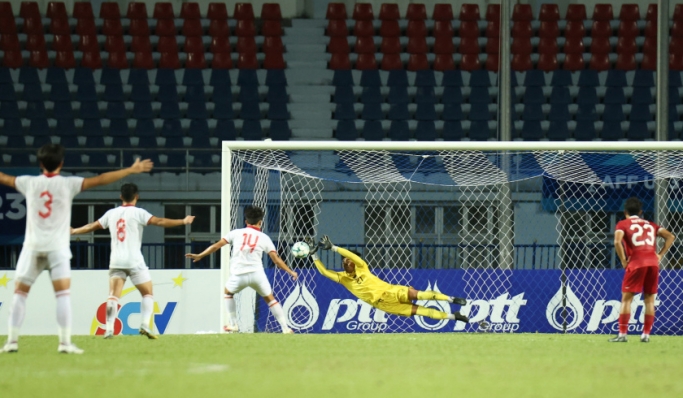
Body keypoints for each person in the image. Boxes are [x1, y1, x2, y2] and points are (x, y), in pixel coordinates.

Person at [0, 144, 153, 354]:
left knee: (20, 293)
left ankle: (12, 341)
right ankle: (64, 343)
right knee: (62, 294)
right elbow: (100, 179)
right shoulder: (68, 184)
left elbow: (4, 178)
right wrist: (129, 170)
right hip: (57, 248)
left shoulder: (29, 182)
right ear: (61, 164)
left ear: (41, 163)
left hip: (32, 247)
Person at [70, 183, 195, 339]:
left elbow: (92, 226)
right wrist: (182, 221)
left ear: (121, 197)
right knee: (147, 293)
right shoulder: (138, 213)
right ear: (137, 196)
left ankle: (109, 329)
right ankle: (144, 325)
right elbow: (160, 222)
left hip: (116, 261)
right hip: (134, 260)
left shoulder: (111, 213)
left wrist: (74, 231)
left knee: (113, 296)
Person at [306, 236, 470, 325]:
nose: (346, 261)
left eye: (348, 260)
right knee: (422, 312)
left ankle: (451, 298)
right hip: (384, 304)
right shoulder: (342, 278)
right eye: (343, 261)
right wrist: (314, 255)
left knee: (420, 295)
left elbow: (352, 255)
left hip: (392, 290)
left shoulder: (362, 266)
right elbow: (324, 272)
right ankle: (454, 316)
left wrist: (333, 248)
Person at [185, 205, 298, 333]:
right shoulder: (264, 238)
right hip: (257, 275)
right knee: (270, 299)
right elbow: (276, 260)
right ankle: (285, 328)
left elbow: (216, 246)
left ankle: (233, 324)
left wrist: (200, 255)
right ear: (260, 222)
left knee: (228, 293)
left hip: (238, 275)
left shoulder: (235, 233)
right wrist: (290, 271)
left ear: (246, 221)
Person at [609, 197, 675, 343]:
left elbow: (617, 241)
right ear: (640, 212)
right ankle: (645, 335)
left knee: (626, 299)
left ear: (625, 212)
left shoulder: (623, 224)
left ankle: (622, 334)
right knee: (649, 301)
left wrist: (623, 260)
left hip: (636, 262)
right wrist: (660, 255)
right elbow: (670, 236)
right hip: (652, 263)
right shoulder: (651, 225)